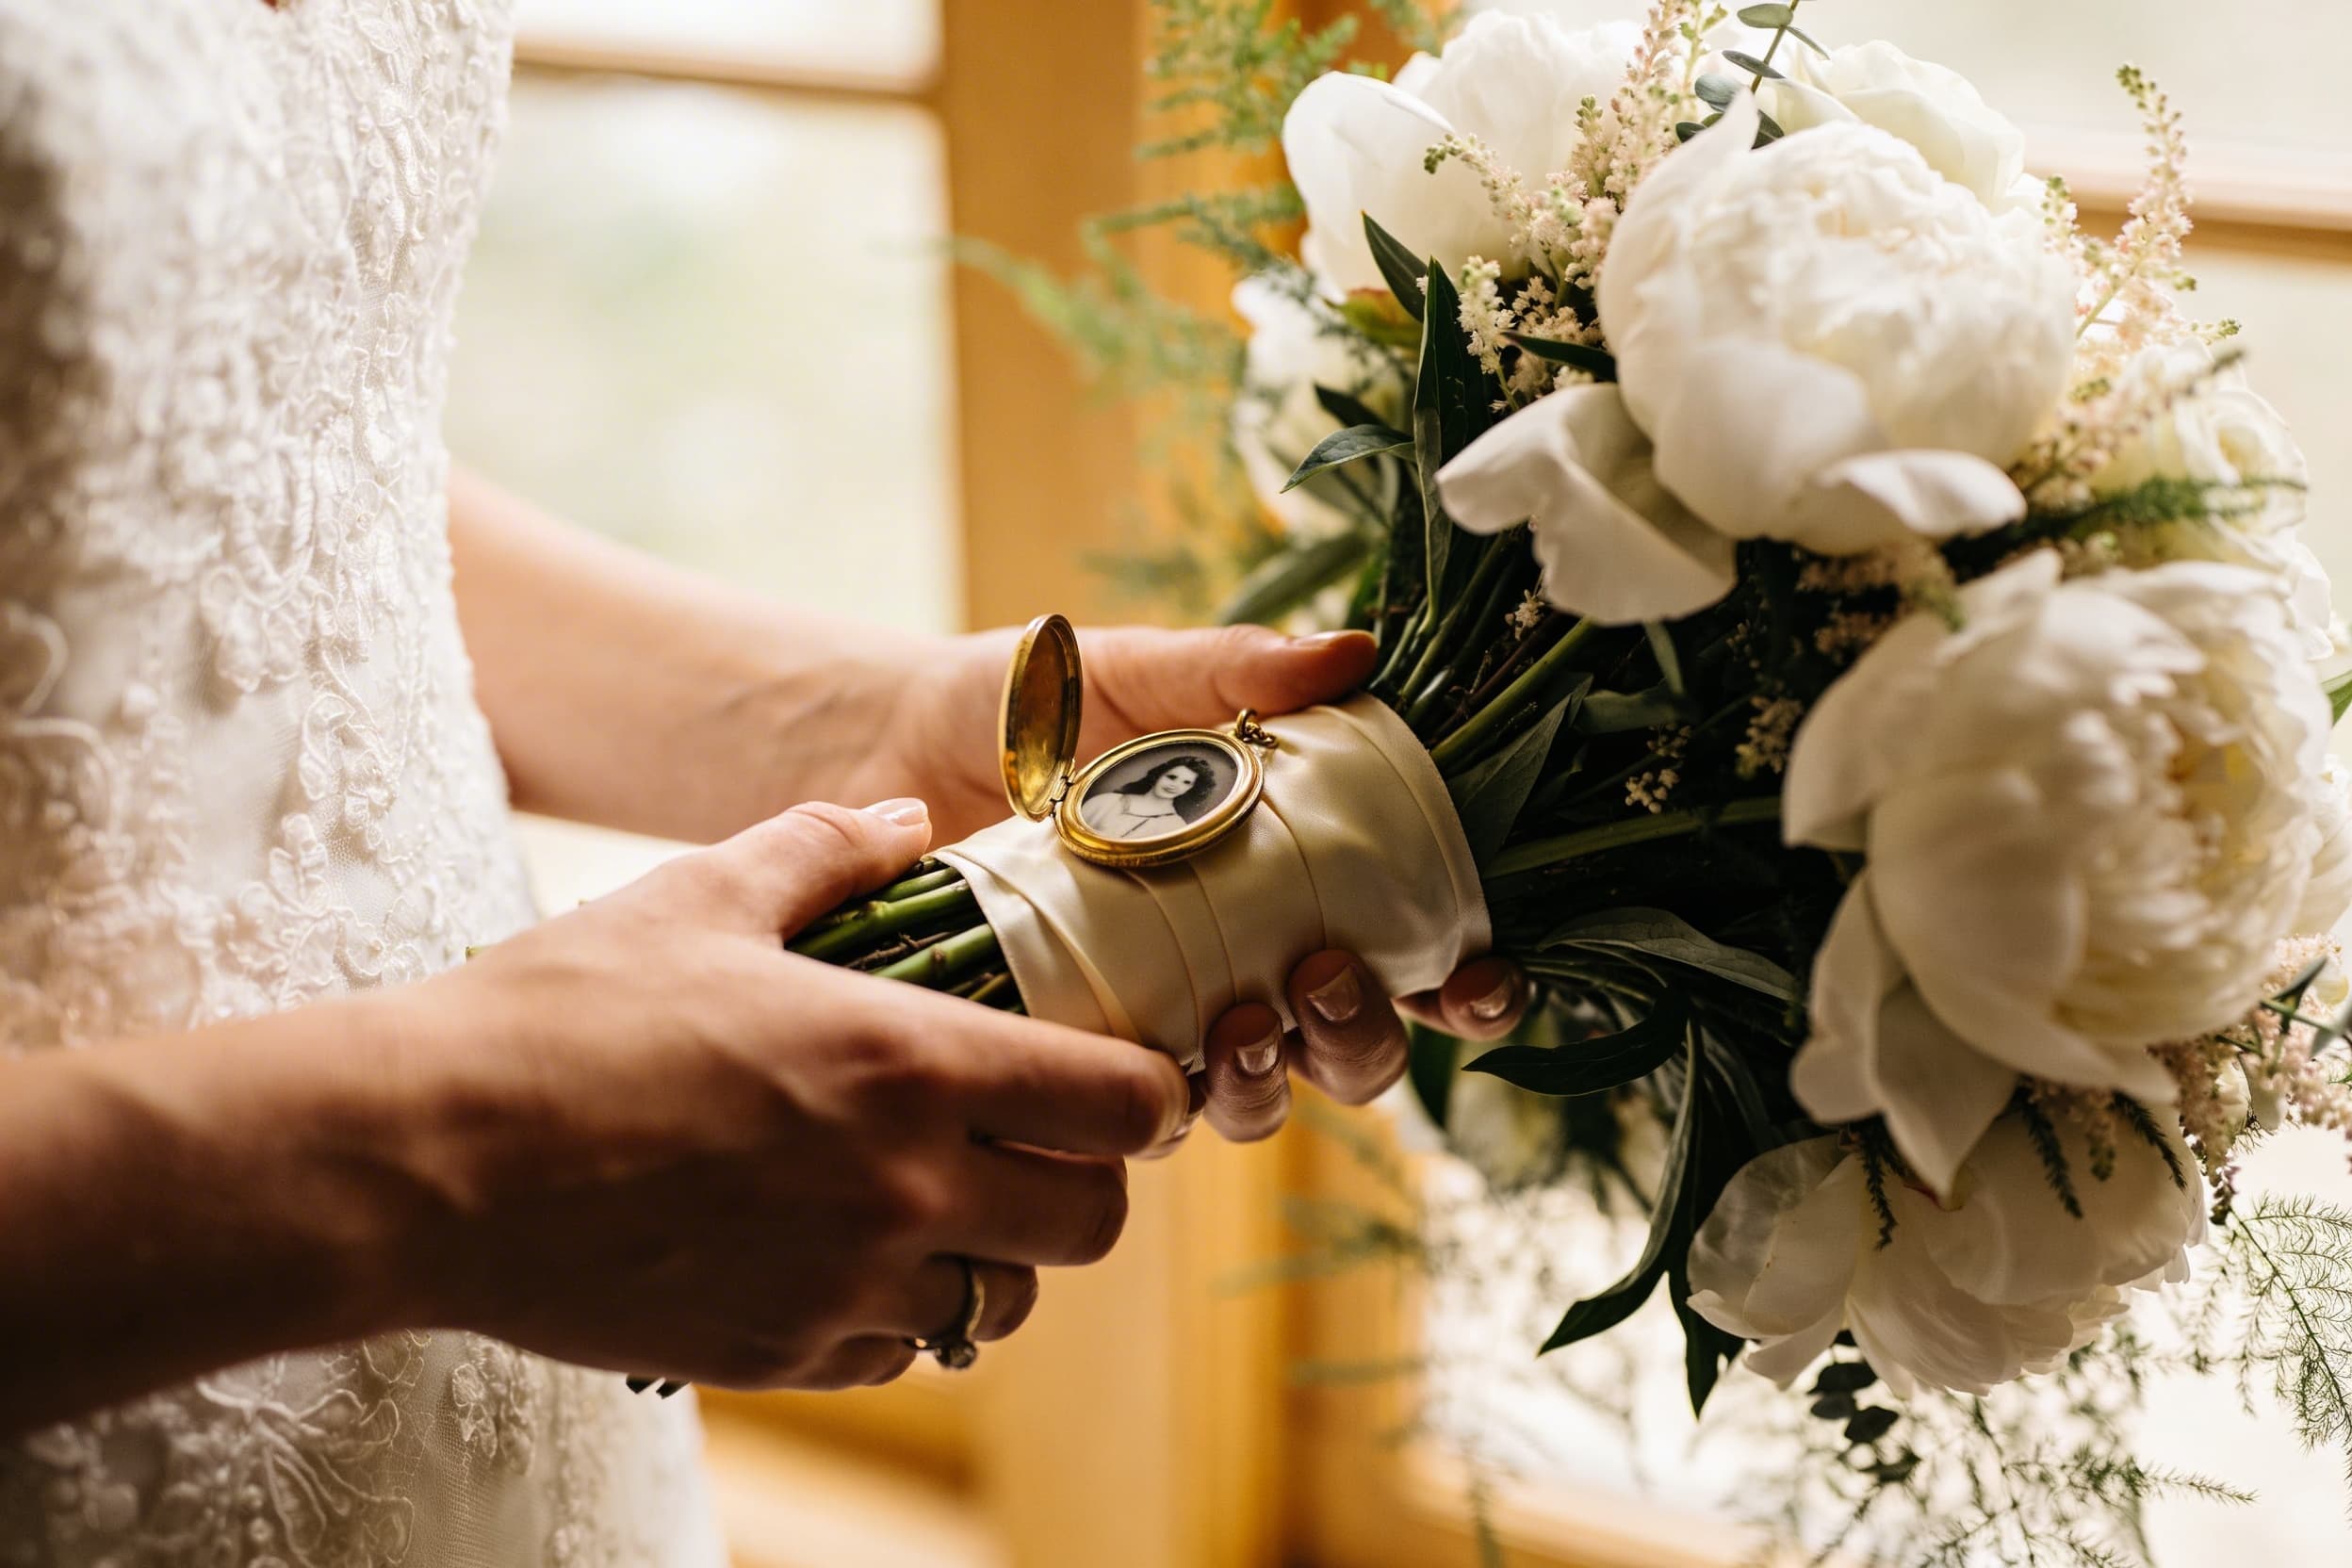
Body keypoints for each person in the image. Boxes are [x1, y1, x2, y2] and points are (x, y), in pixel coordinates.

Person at [0, 2, 1528, 1563]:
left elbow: (225, 449)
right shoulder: (476, 1160)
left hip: (534, 1400)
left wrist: (879, 726)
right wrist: (455, 1146)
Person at [1080, 754, 1221, 840]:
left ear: (1190, 789)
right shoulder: (1107, 801)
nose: (1174, 785)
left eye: (1186, 783)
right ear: (1157, 775)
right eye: (1172, 777)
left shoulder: (1174, 826)